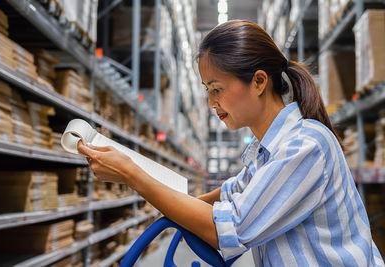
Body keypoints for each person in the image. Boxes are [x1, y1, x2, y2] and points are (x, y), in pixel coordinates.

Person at [78, 20, 384, 266]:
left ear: (259, 82)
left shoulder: (305, 146)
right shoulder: (266, 152)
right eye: (207, 90)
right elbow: (230, 192)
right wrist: (174, 205)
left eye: (217, 88)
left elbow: (230, 229)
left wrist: (132, 174)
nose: (211, 102)